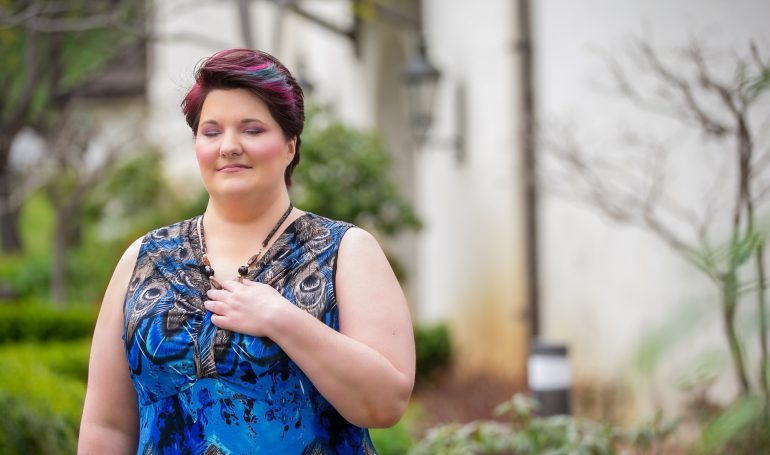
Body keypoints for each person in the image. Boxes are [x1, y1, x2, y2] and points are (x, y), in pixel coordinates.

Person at [78, 48, 416, 454]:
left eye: (252, 130)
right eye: (212, 131)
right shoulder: (145, 258)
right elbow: (108, 425)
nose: (229, 146)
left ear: (290, 145)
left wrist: (281, 319)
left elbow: (385, 403)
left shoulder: (346, 251)